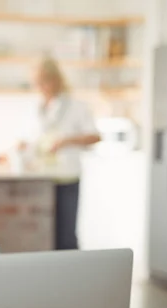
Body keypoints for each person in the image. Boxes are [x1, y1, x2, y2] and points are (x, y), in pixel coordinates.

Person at [20, 58, 100, 250]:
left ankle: (71, 277)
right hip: (42, 179)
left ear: (56, 79)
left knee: (66, 237)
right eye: (37, 83)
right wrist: (25, 147)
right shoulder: (38, 108)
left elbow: (95, 137)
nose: (41, 87)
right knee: (46, 234)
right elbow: (37, 140)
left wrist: (66, 141)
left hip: (66, 178)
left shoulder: (76, 106)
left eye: (44, 81)